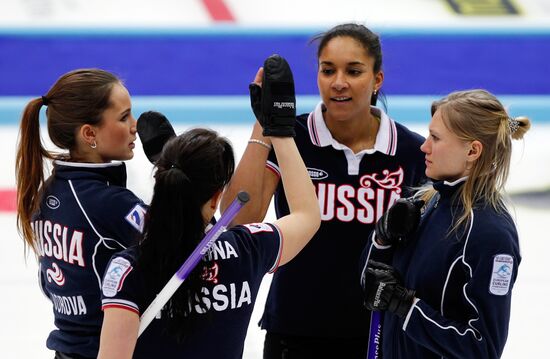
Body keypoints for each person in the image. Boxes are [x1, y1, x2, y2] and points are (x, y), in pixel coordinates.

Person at [220, 23, 427, 358]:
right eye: (327, 70)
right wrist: (265, 127)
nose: (339, 82)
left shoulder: (412, 152)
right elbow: (237, 221)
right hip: (296, 330)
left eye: (354, 71)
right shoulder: (292, 136)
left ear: (377, 80)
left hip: (381, 335)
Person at [96, 125, 320, 357]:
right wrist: (279, 130)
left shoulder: (127, 269)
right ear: (215, 200)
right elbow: (307, 215)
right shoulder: (247, 249)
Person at [361, 89, 530, 358]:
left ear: (473, 150)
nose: (423, 146)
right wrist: (382, 241)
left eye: (435, 138)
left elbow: (483, 348)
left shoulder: (490, 234)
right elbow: (371, 286)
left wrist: (406, 306)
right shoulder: (425, 204)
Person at [15, 68, 146, 359]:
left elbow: (49, 285)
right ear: (90, 134)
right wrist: (173, 166)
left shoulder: (46, 193)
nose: (135, 125)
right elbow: (193, 245)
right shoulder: (110, 203)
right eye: (124, 117)